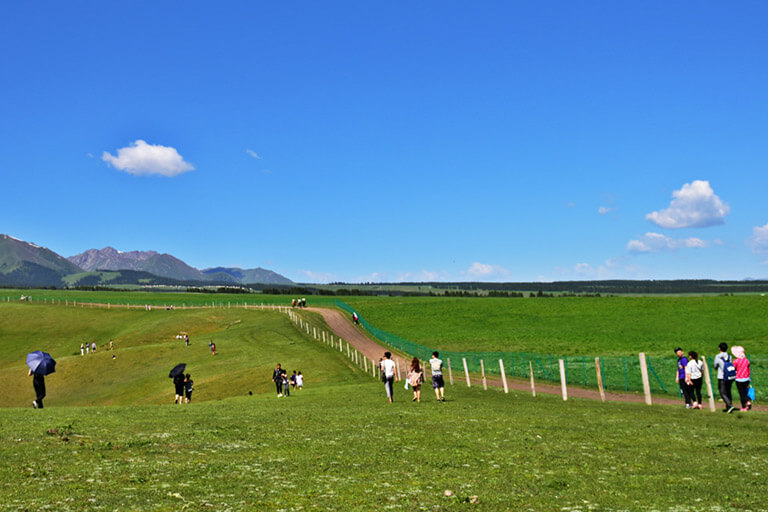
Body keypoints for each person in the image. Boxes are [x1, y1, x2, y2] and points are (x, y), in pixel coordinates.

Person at [713, 342, 736, 413]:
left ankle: (729, 405)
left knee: (722, 392)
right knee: (728, 391)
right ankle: (729, 406)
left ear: (719, 348)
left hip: (722, 376)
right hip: (730, 376)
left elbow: (715, 366)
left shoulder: (718, 356)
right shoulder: (729, 356)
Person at [732, 346, 752, 411]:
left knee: (741, 393)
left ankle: (744, 407)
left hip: (739, 379)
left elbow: (734, 369)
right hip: (746, 378)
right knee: (745, 391)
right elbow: (748, 369)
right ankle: (748, 401)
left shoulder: (736, 361)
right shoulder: (747, 361)